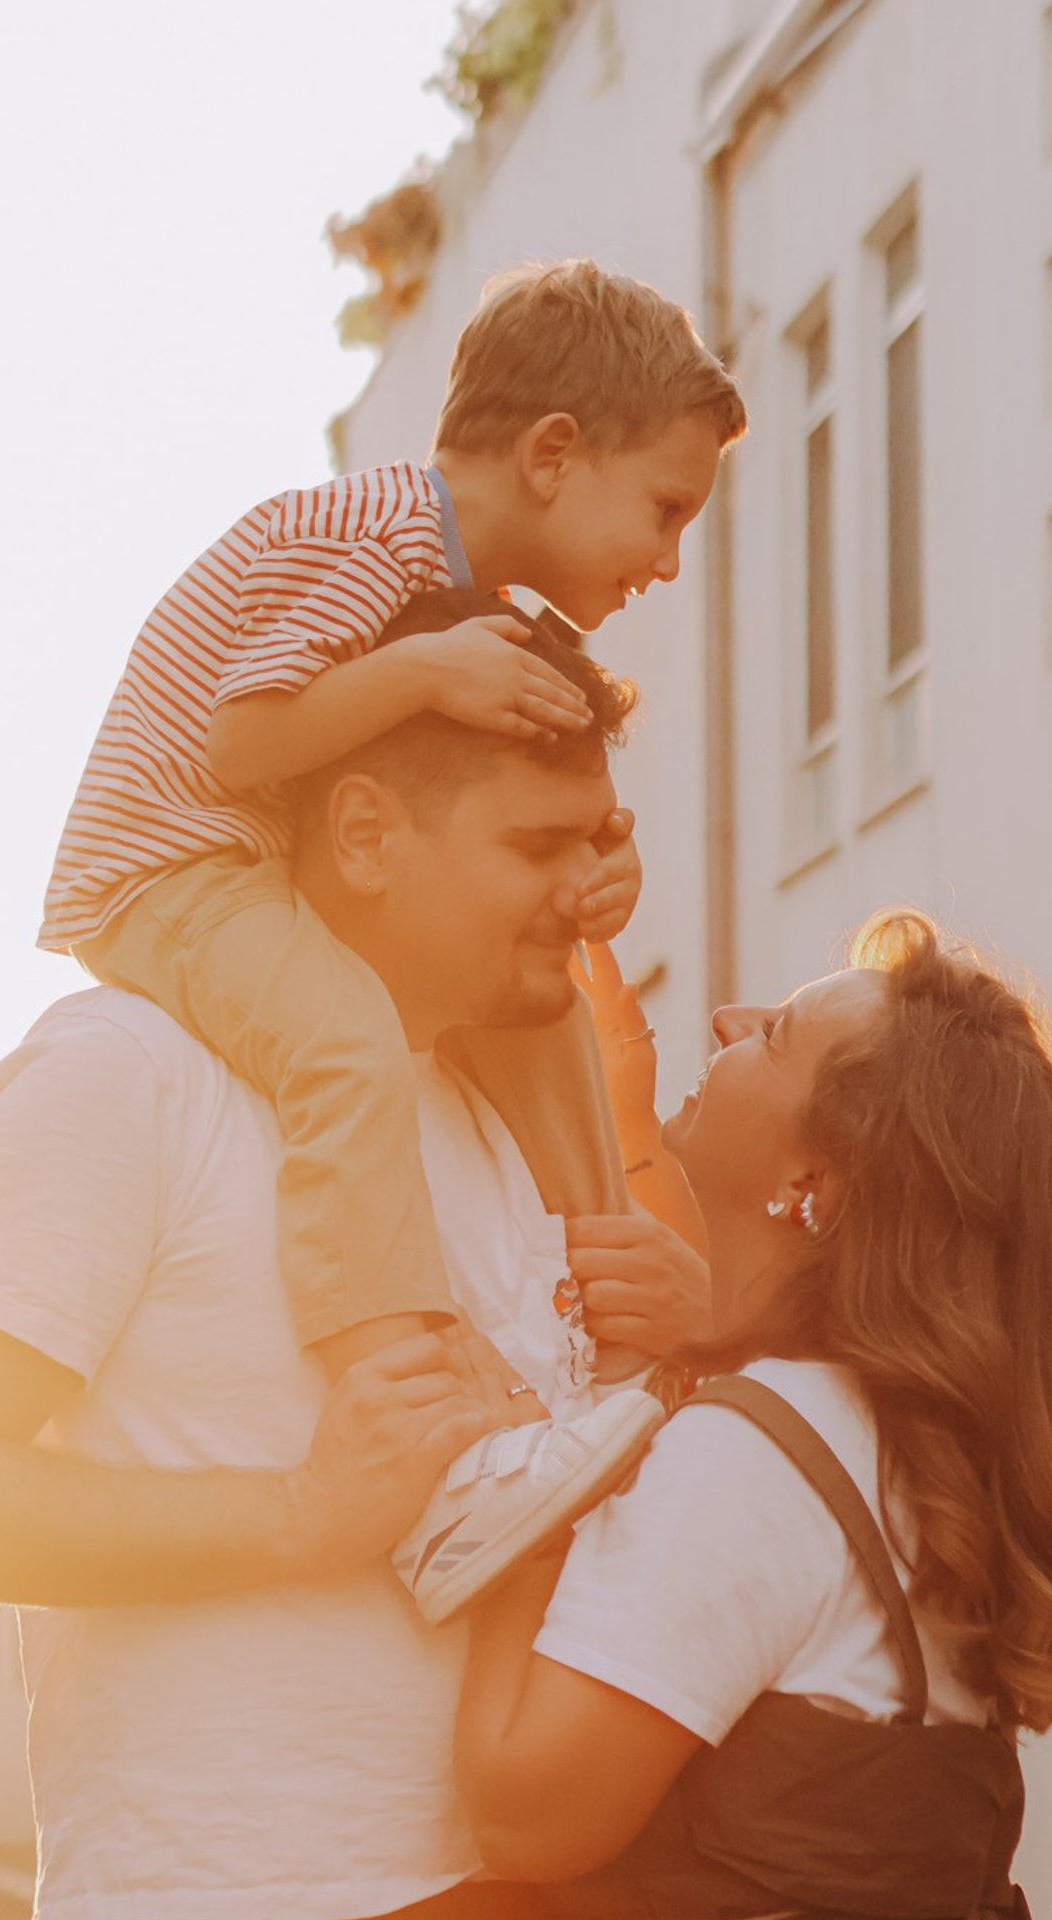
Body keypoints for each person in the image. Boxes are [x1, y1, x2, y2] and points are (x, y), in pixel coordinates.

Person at [0, 602, 705, 1920]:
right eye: (534, 847)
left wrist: (686, 1346)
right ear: (363, 835)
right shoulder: (123, 1071)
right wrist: (301, 1513)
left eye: (597, 844)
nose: (582, 894)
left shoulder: (492, 1117)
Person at [41, 259, 745, 1610]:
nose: (666, 561)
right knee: (347, 1043)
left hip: (252, 849)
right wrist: (421, 671)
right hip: (171, 861)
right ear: (554, 455)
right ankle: (404, 1401)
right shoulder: (374, 537)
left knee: (537, 1006)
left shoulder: (467, 594)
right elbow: (240, 747)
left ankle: (598, 1338)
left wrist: (598, 865)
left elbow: (476, 807)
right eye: (663, 512)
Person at [455, 910, 1052, 1918]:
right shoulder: (901, 1445)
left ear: (811, 1181)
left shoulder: (751, 1460)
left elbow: (522, 1817)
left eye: (776, 1035)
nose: (729, 1021)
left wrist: (523, 1499)